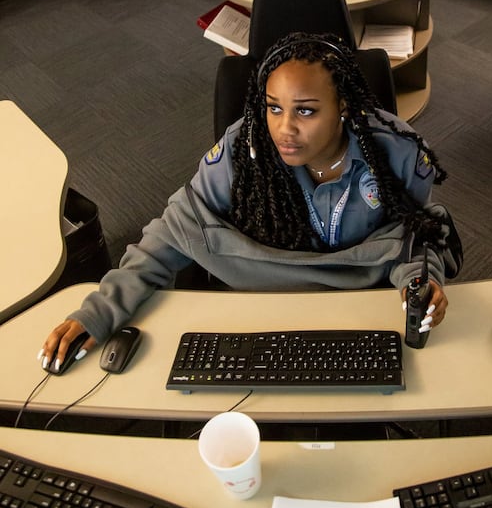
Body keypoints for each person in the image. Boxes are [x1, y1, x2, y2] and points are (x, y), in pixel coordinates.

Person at [38, 32, 459, 371]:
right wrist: (101, 310)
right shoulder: (244, 149)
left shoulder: (399, 155)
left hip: (362, 309)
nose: (284, 129)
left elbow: (412, 235)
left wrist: (421, 281)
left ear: (343, 106)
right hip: (257, 304)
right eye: (274, 108)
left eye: (306, 111)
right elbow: (172, 233)